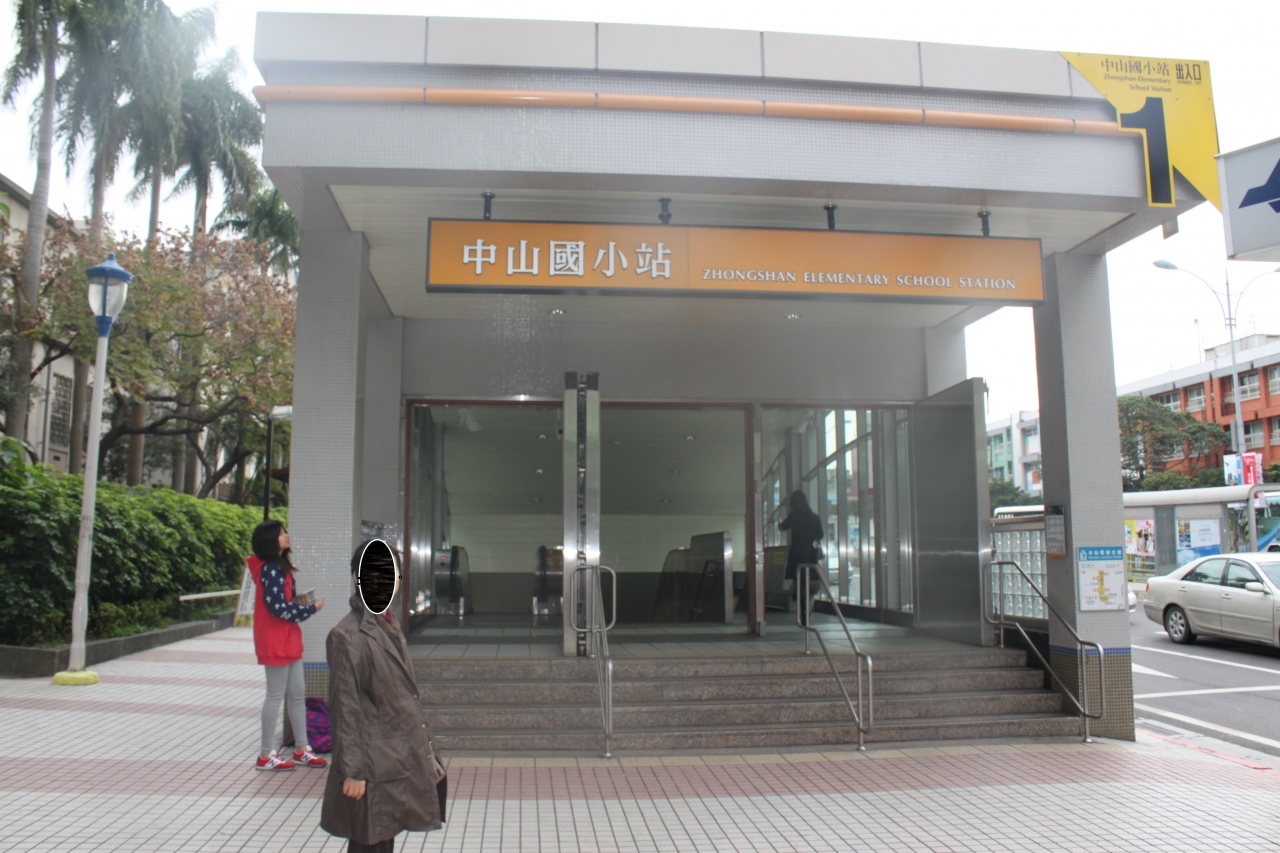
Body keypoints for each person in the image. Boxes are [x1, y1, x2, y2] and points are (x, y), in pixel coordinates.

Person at [321, 539, 444, 853]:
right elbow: (345, 710)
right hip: (371, 765)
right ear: (356, 578)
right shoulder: (347, 636)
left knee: (382, 840)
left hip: (393, 758)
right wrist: (352, 771)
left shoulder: (389, 625)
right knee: (370, 842)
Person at [248, 520, 327, 771]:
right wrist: (310, 609)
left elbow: (282, 602)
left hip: (287, 638)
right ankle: (265, 754)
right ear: (270, 541)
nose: (286, 535)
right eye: (282, 533)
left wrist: (298, 603)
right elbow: (277, 608)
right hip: (275, 640)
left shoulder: (279, 567)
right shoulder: (270, 569)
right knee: (275, 696)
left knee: (297, 693)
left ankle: (302, 749)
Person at [779, 491, 824, 623]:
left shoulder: (794, 516)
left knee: (799, 583)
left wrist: (786, 516)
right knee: (807, 581)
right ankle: (806, 608)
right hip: (809, 553)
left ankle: (803, 610)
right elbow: (820, 535)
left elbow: (782, 527)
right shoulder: (814, 517)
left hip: (796, 554)